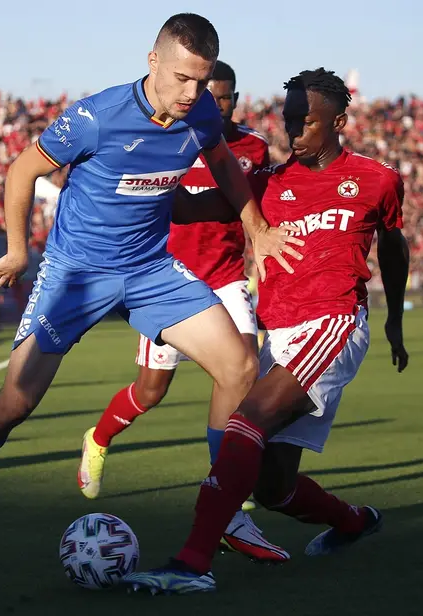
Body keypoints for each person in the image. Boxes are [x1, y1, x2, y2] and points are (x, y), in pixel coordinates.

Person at [0, 13, 302, 556]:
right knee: (16, 402)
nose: (193, 93)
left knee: (240, 367)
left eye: (203, 80)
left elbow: (224, 164)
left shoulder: (203, 112)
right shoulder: (95, 117)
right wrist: (18, 250)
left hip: (151, 269)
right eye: (183, 78)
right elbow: (21, 170)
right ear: (153, 61)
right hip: (76, 274)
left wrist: (256, 227)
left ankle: (225, 508)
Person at [124, 67, 410, 594]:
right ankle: (353, 522)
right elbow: (195, 206)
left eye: (307, 121)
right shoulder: (267, 182)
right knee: (272, 485)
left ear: (338, 122)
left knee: (244, 424)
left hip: (333, 323)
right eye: (289, 119)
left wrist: (394, 317)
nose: (294, 129)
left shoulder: (377, 178)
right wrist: (138, 181)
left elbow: (393, 244)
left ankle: (191, 564)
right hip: (278, 333)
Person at [77, 59, 287, 562]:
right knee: (152, 390)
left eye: (227, 96)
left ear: (236, 99)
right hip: (168, 280)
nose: (219, 104)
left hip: (227, 277)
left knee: (242, 370)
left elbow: (256, 208)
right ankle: (98, 438)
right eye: (212, 95)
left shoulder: (253, 148)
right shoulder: (167, 137)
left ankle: (223, 490)